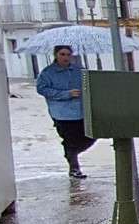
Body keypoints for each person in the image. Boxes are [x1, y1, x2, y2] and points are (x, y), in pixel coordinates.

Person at [36, 45, 96, 179]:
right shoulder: (48, 72)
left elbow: (90, 85)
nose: (65, 57)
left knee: (90, 137)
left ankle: (71, 153)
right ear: (56, 55)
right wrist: (65, 94)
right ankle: (74, 168)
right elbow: (41, 89)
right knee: (70, 140)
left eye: (68, 54)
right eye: (62, 54)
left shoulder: (79, 71)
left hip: (81, 112)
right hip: (61, 113)